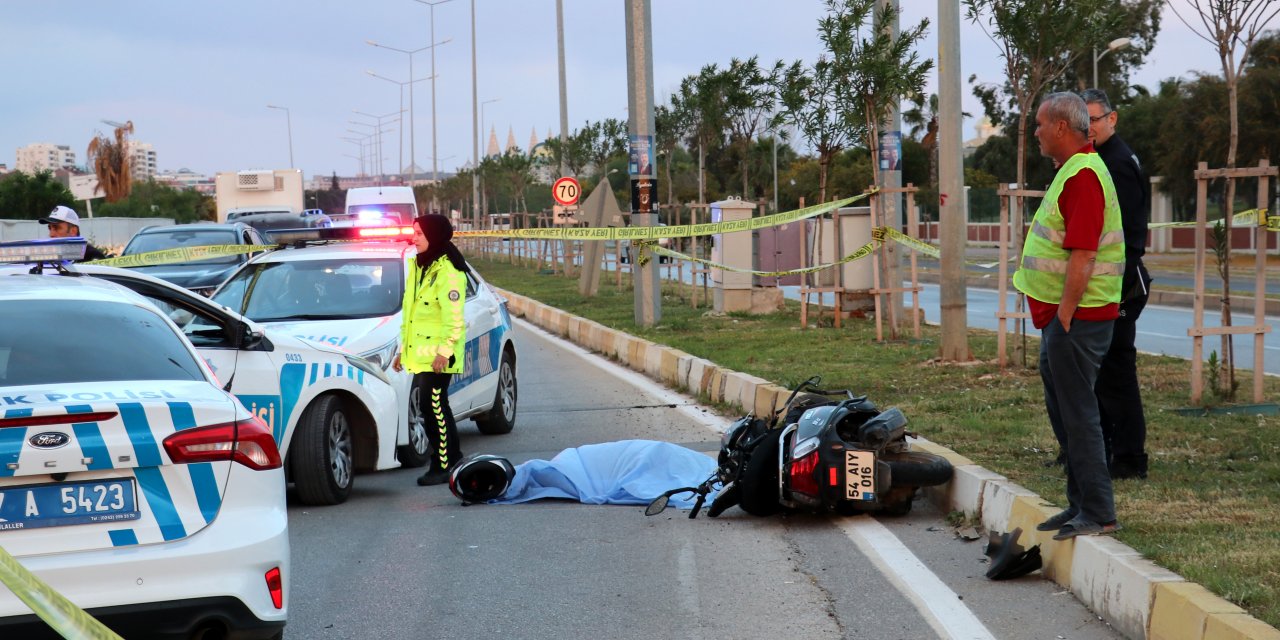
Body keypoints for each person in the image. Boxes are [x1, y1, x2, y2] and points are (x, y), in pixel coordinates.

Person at [1014, 92, 1125, 541]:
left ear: (1061, 127)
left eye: (1040, 124)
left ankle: (1098, 511)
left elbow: (1083, 253)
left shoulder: (1082, 175)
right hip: (1062, 318)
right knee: (1064, 409)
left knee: (1079, 413)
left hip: (1077, 317)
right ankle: (1080, 503)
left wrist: (1064, 314)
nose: (1036, 132)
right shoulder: (1071, 172)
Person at [1082, 88, 1152, 480]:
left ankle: (1129, 459)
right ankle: (1102, 450)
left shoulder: (1118, 163)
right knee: (1098, 373)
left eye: (1094, 119)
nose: (1088, 127)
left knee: (1116, 373)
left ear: (1113, 118)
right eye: (1083, 120)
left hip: (1122, 282)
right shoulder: (1097, 158)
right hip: (1108, 282)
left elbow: (1120, 236)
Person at [393, 213, 470, 486]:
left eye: (419, 234)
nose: (413, 238)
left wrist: (444, 351)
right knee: (434, 405)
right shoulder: (420, 266)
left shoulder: (447, 271)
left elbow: (454, 318)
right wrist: (403, 350)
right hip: (424, 354)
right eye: (413, 233)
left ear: (434, 237)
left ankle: (443, 464)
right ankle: (452, 457)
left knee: (433, 405)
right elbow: (411, 315)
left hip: (440, 356)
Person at [39, 205, 107, 261]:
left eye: (56, 228)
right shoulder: (50, 257)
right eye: (50, 228)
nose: (51, 234)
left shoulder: (91, 256)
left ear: (73, 231)